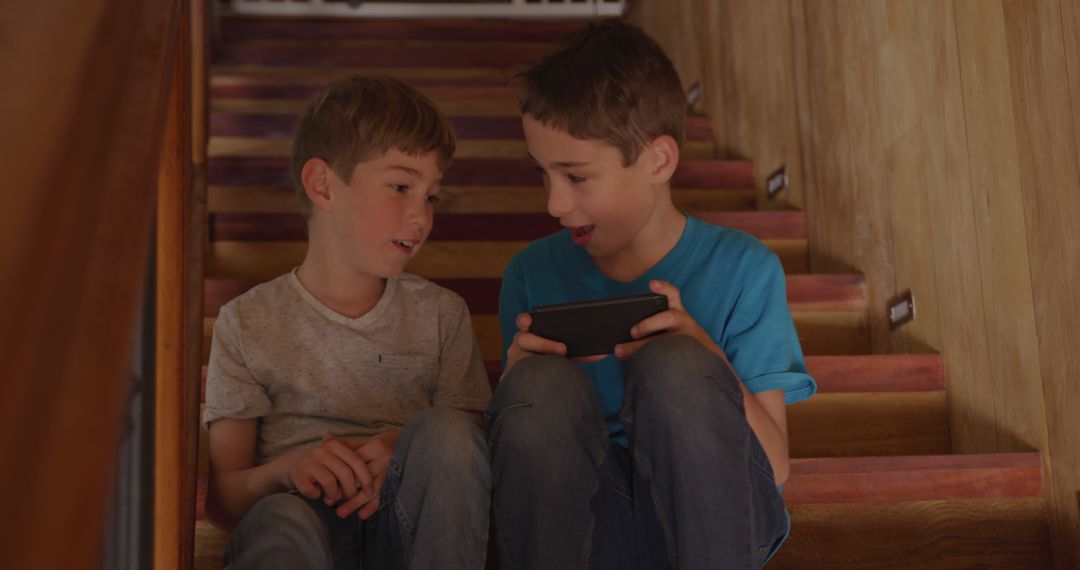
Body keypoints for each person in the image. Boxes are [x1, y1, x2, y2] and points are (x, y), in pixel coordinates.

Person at [488, 20, 817, 569]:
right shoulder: (528, 273)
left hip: (721, 522)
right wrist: (518, 386)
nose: (554, 204)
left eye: (576, 177)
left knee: (678, 365)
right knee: (538, 385)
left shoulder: (746, 267)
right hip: (589, 528)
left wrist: (706, 357)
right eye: (542, 174)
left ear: (658, 162)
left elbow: (775, 466)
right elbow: (527, 464)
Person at [203, 74, 492, 570]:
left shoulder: (442, 313)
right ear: (322, 185)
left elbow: (466, 446)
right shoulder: (244, 321)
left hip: (411, 530)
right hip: (300, 525)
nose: (421, 216)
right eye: (401, 186)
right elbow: (227, 493)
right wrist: (287, 471)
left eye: (431, 196)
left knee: (447, 434)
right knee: (279, 524)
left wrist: (405, 446)